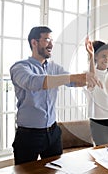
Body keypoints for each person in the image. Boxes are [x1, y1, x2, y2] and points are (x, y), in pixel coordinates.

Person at [10, 26, 101, 165]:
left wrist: (91, 56)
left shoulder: (54, 68)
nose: (51, 44)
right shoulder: (20, 67)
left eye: (52, 40)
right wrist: (72, 77)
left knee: (56, 169)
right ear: (34, 42)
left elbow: (82, 80)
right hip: (28, 136)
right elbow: (35, 82)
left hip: (53, 133)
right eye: (47, 40)